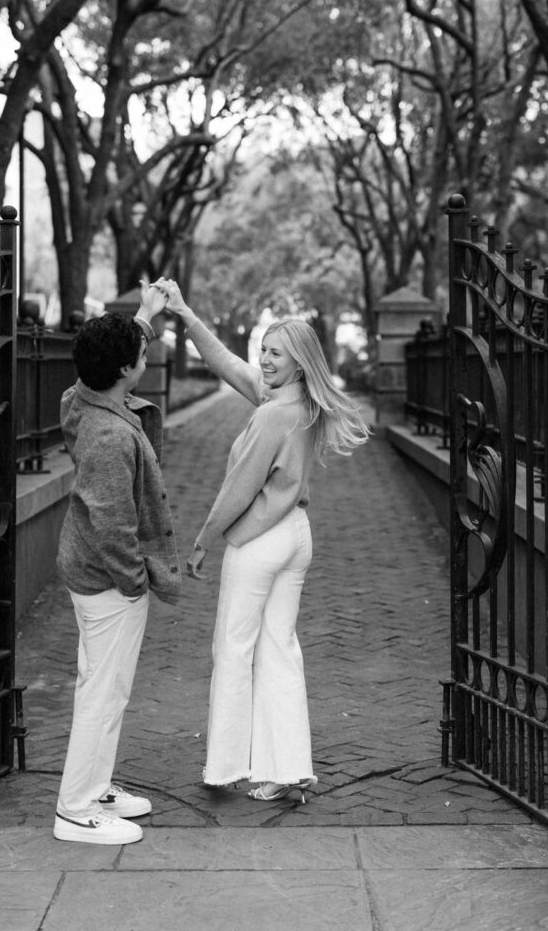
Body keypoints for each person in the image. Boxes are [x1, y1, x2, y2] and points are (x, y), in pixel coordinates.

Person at [154, 277, 370, 803]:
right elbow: (228, 364)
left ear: (298, 361)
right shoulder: (303, 405)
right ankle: (289, 770)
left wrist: (205, 539)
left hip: (260, 542)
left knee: (232, 647)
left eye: (276, 354)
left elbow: (238, 489)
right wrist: (185, 312)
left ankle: (225, 767)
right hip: (296, 536)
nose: (266, 361)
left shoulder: (273, 414)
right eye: (264, 351)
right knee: (280, 649)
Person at [53, 285, 180, 845]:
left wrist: (145, 319)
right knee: (103, 692)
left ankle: (96, 785)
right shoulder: (107, 433)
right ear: (127, 370)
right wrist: (134, 583)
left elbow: (119, 351)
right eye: (141, 355)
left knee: (102, 684)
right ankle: (76, 809)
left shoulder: (81, 396)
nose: (146, 359)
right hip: (108, 581)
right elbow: (112, 521)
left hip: (90, 572)